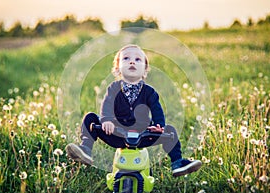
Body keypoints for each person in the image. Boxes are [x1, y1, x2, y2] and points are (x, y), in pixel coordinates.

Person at [66, 44, 202, 177]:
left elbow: (157, 109)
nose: (132, 61)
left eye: (138, 60)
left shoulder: (149, 92)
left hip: (143, 135)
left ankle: (177, 163)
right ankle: (85, 150)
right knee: (90, 118)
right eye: (126, 59)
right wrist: (106, 120)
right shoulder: (113, 88)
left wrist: (158, 126)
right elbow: (106, 105)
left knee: (170, 130)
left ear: (145, 70)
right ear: (117, 69)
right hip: (116, 133)